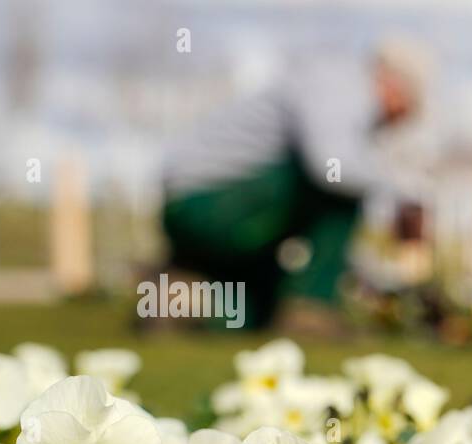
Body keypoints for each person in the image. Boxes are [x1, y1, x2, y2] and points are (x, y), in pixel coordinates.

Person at [159, 41, 427, 333]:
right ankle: (311, 311)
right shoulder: (342, 87)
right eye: (407, 110)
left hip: (194, 207)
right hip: (210, 204)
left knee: (245, 317)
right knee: (344, 187)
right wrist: (404, 192)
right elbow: (330, 168)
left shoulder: (332, 89)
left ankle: (183, 294)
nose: (398, 123)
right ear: (396, 87)